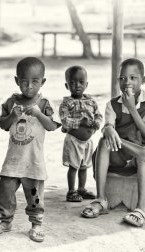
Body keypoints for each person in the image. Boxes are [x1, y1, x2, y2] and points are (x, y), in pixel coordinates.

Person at [0, 57, 60, 242]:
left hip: (33, 162)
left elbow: (52, 126)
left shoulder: (45, 103)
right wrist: (12, 116)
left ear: (42, 82)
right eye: (24, 81)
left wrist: (38, 113)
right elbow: (4, 126)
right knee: (4, 193)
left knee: (34, 196)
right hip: (12, 161)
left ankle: (36, 224)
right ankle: (5, 221)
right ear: (17, 81)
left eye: (35, 81)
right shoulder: (10, 102)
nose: (29, 86)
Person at [80, 58, 145, 227]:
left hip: (140, 154)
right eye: (122, 78)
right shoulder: (112, 105)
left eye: (133, 78)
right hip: (119, 152)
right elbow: (108, 127)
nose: (127, 82)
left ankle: (140, 209)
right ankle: (101, 200)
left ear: (143, 81)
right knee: (104, 142)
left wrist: (133, 108)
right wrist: (108, 129)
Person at [59, 66, 103, 202]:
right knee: (74, 166)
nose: (77, 85)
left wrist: (96, 123)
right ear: (67, 85)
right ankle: (71, 191)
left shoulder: (91, 101)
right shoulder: (66, 103)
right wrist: (80, 122)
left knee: (84, 167)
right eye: (72, 83)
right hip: (74, 140)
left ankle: (81, 189)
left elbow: (98, 115)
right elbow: (65, 121)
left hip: (88, 142)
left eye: (80, 82)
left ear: (86, 84)